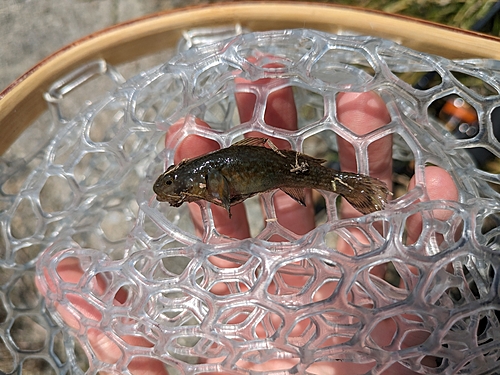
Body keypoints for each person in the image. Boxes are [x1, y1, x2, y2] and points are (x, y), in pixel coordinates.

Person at [37, 81, 458, 374]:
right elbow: (219, 193)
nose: (178, 189)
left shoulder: (208, 178)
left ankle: (351, 187)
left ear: (192, 179)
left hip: (270, 170)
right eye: (177, 185)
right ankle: (350, 187)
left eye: (180, 185)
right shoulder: (203, 175)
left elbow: (221, 195)